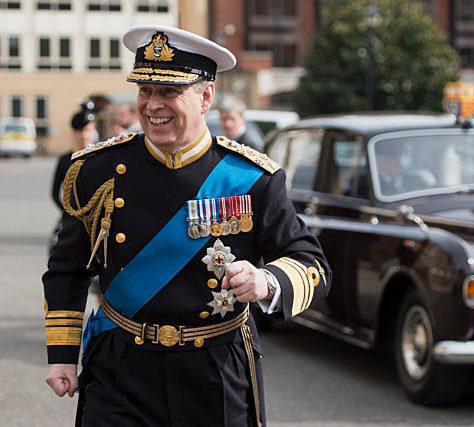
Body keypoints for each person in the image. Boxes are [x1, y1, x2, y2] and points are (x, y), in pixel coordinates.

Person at [42, 24, 331, 427]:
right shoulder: (98, 170)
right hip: (120, 368)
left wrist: (267, 281)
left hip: (213, 371)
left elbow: (313, 265)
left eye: (168, 92)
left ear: (206, 97)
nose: (152, 105)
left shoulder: (252, 178)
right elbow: (67, 269)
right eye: (145, 90)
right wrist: (62, 356)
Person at [51, 106, 96, 210]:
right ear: (74, 132)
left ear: (94, 130)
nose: (84, 136)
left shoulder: (101, 156)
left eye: (87, 130)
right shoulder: (65, 160)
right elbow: (54, 194)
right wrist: (67, 213)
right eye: (80, 131)